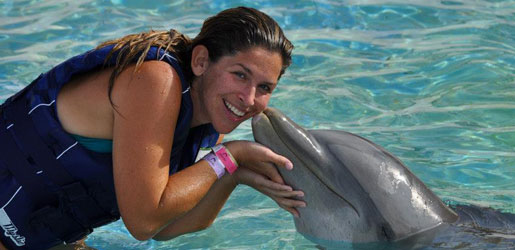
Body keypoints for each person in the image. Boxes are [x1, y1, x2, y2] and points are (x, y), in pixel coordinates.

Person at [0, 6, 306, 249]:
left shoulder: (205, 118)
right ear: (200, 61)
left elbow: (165, 227)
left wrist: (232, 174)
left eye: (265, 87)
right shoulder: (156, 82)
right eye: (240, 75)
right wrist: (230, 155)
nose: (249, 98)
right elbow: (144, 221)